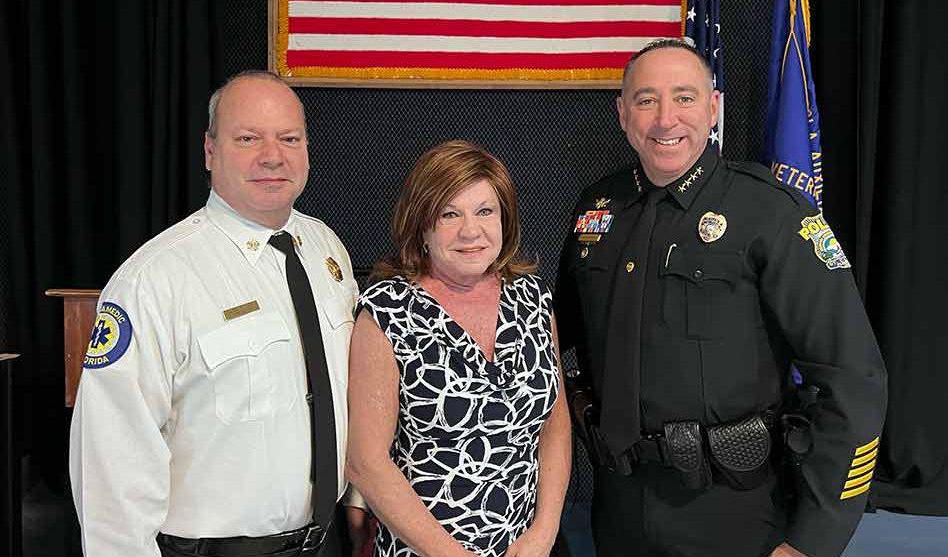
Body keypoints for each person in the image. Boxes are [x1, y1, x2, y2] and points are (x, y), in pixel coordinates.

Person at [555, 39, 887, 557]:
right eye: (646, 100)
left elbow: (854, 379)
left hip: (737, 513)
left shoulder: (770, 212)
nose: (666, 119)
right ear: (623, 114)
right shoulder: (598, 208)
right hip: (618, 508)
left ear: (713, 108)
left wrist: (812, 540)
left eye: (684, 98)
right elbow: (550, 342)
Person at [70, 70, 359, 557]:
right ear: (210, 151)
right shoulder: (154, 279)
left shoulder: (326, 249)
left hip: (329, 543)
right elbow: (111, 463)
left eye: (289, 138)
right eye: (248, 138)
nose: (273, 155)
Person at [346, 140, 571, 557]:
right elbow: (366, 463)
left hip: (527, 547)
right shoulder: (387, 311)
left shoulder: (533, 297)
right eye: (450, 214)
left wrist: (545, 530)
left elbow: (554, 420)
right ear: (422, 227)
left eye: (485, 211)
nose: (471, 231)